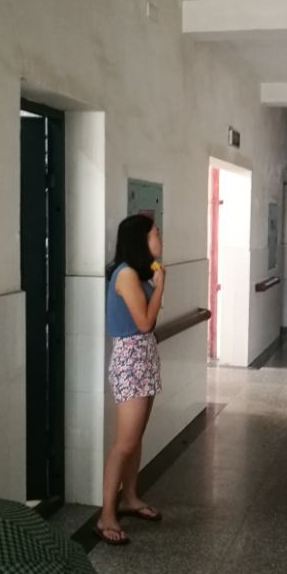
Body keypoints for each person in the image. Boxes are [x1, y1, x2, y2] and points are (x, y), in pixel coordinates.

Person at [96, 214, 166, 545]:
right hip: (130, 361)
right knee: (123, 444)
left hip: (144, 358)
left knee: (135, 439)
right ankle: (106, 515)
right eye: (155, 234)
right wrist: (161, 285)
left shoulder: (138, 273)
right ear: (140, 240)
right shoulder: (125, 275)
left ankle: (130, 498)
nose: (159, 238)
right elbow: (145, 323)